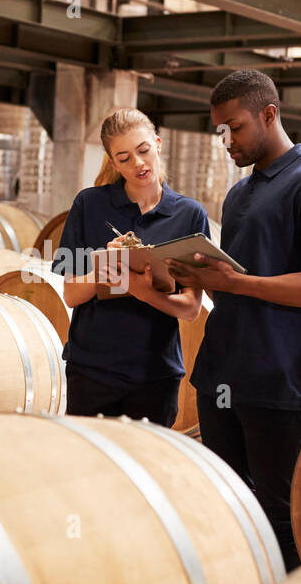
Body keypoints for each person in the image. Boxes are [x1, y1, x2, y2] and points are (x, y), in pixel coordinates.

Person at [167, 70, 301, 572]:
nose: (226, 141)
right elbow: (239, 278)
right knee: (229, 508)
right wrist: (193, 274)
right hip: (220, 376)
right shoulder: (240, 194)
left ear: (270, 114)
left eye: (236, 127)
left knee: (280, 519)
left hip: (278, 381)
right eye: (220, 131)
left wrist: (237, 284)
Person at [52, 108, 209, 427]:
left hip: (156, 376)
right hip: (92, 371)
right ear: (112, 162)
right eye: (124, 158)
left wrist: (141, 290)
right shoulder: (90, 204)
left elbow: (191, 308)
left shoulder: (189, 215)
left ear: (158, 144)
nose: (137, 163)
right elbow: (71, 295)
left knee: (145, 471)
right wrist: (104, 269)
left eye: (143, 151)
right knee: (88, 470)